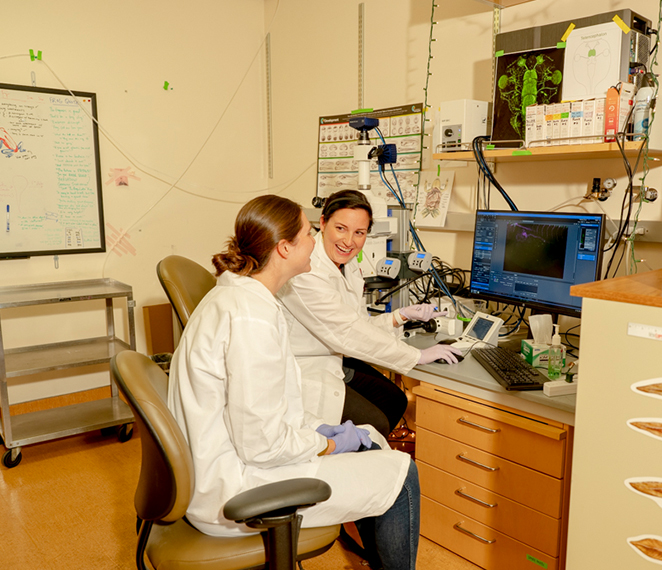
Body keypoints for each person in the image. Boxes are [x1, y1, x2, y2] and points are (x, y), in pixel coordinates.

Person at [167, 195, 419, 570]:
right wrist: (327, 442)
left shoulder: (241, 295)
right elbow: (263, 445)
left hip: (229, 458)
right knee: (401, 474)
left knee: (373, 441)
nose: (315, 240)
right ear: (284, 248)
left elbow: (264, 410)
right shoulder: (252, 320)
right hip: (239, 490)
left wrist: (316, 428)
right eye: (307, 233)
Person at [278, 190, 462, 436]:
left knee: (396, 400)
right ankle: (345, 464)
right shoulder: (307, 270)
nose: (349, 241)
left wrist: (402, 315)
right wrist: (416, 355)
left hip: (334, 354)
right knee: (377, 423)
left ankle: (363, 457)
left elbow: (357, 323)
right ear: (322, 223)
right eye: (341, 228)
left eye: (359, 233)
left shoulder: (347, 263)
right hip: (307, 364)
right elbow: (347, 332)